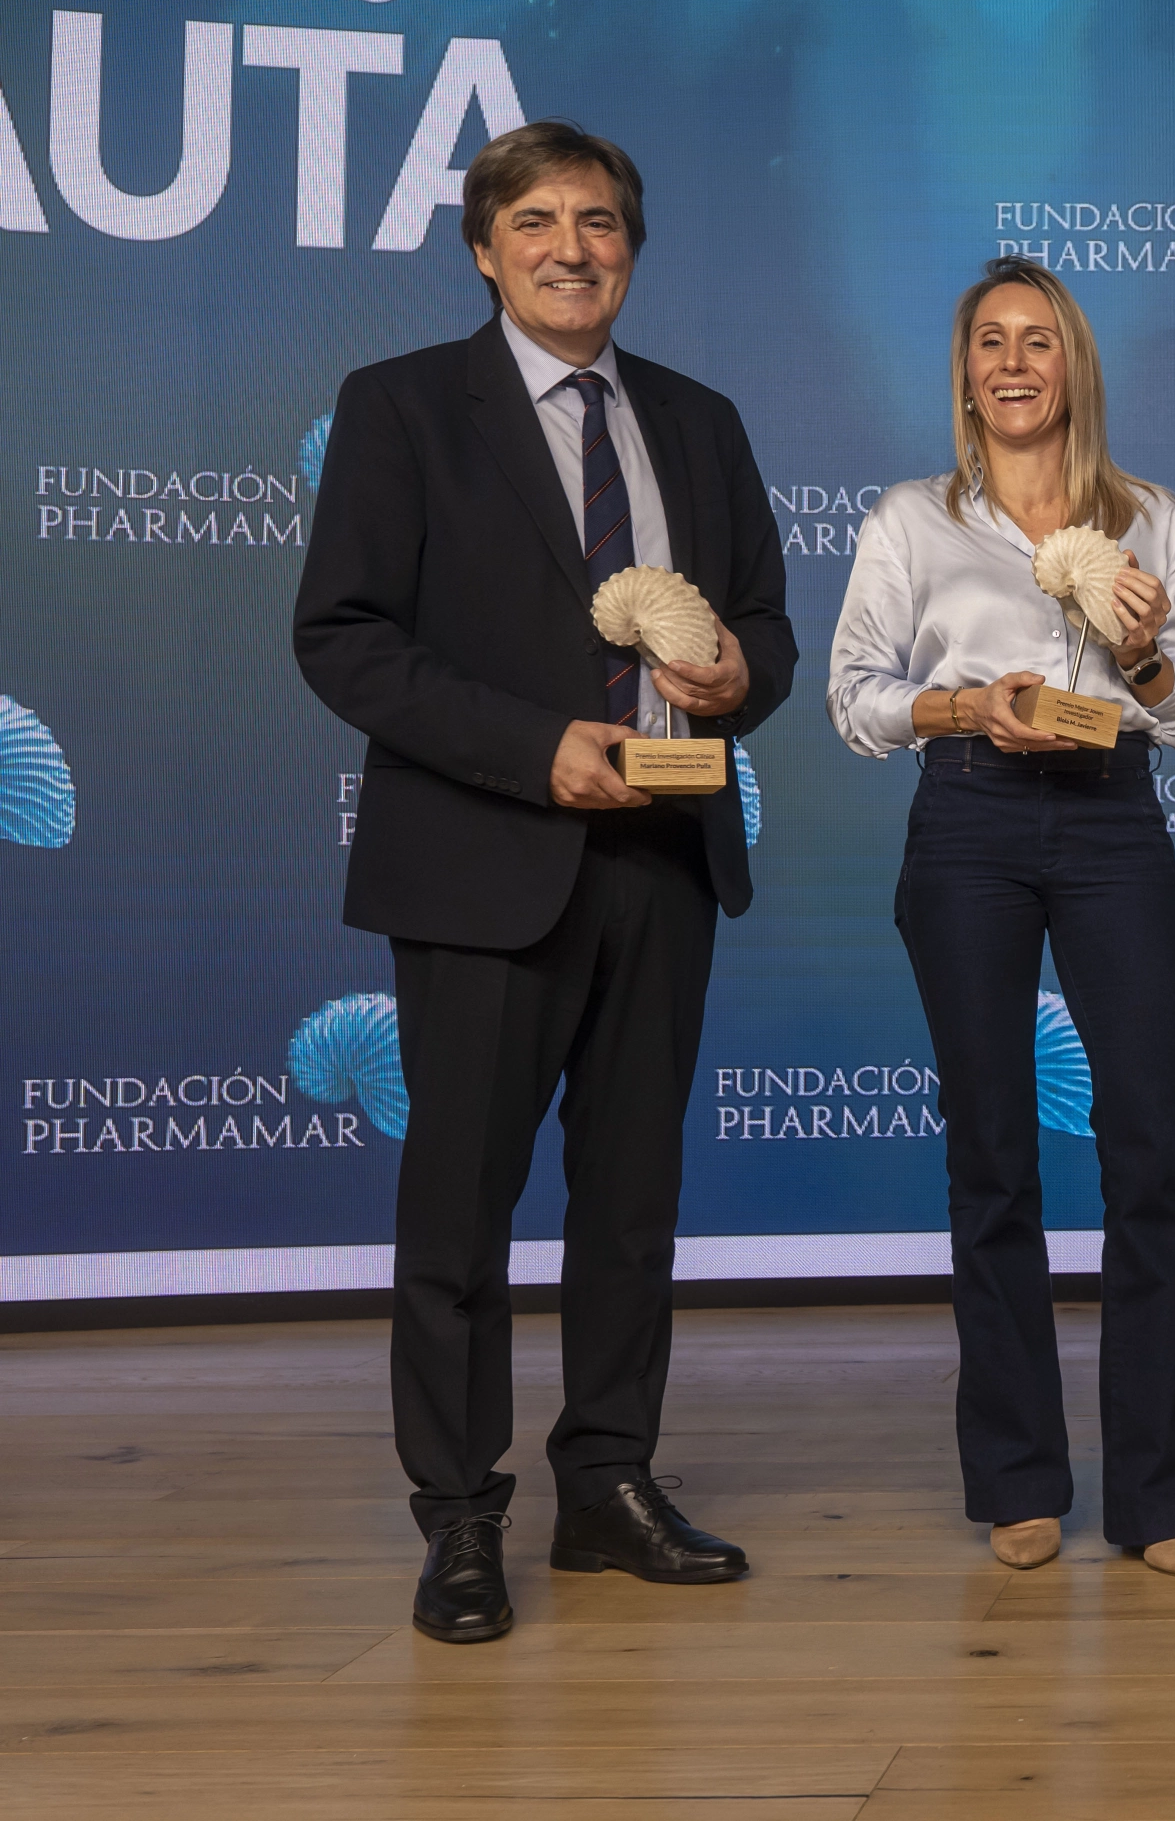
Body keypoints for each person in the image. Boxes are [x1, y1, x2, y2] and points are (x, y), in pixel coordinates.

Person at [293, 121, 797, 1644]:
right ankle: (459, 1520)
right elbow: (346, 638)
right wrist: (533, 750)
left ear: (632, 248)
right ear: (484, 248)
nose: (573, 247)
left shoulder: (699, 422)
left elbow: (765, 629)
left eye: (600, 221)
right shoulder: (400, 410)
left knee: (632, 1206)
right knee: (459, 1215)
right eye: (538, 222)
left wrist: (729, 680)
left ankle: (610, 1488)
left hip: (664, 859)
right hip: (482, 867)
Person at [826, 257, 1175, 1580]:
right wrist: (959, 705)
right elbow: (855, 698)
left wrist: (1150, 647)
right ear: (964, 373)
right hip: (973, 817)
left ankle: (1163, 1491)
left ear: (1073, 368)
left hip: (1112, 815)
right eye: (989, 342)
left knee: (1151, 1151)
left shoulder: (1148, 516)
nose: (1012, 362)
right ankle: (1016, 1474)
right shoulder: (907, 521)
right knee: (992, 1155)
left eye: (1037, 342)